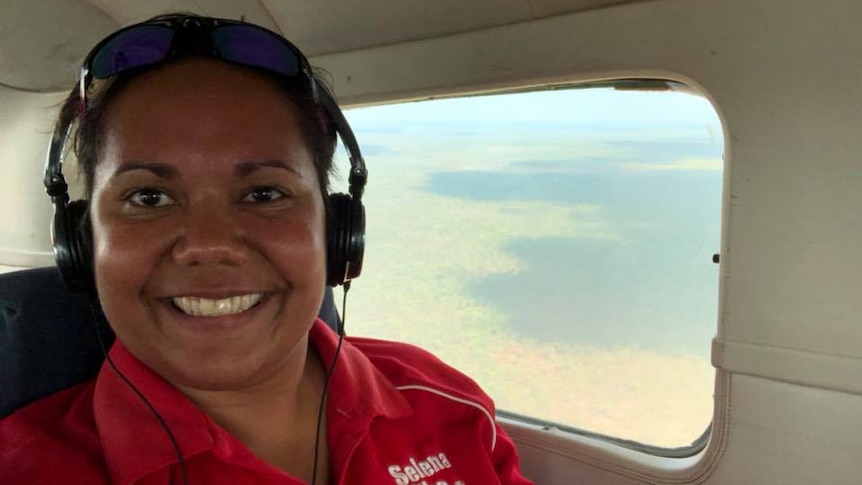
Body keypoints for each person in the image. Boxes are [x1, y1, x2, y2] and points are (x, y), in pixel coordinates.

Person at [0, 13, 533, 485]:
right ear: (82, 241)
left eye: (264, 194)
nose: (209, 246)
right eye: (149, 196)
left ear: (335, 227)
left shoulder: (444, 403)